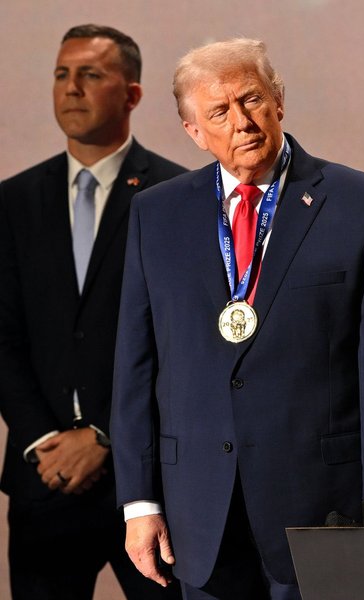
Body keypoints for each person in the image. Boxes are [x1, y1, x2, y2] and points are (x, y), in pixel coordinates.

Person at [110, 37, 364, 599]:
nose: (242, 121)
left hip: (323, 511)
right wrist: (140, 502)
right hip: (197, 514)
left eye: (251, 99)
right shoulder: (156, 215)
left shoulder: (362, 205)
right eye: (219, 112)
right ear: (193, 132)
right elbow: (135, 366)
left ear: (278, 100)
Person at [0, 24, 186, 600]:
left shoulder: (176, 197)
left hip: (147, 487)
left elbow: (180, 343)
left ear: (131, 95)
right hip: (44, 478)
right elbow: (1, 338)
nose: (71, 88)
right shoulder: (12, 201)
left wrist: (105, 434)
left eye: (90, 74)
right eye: (62, 74)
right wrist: (43, 442)